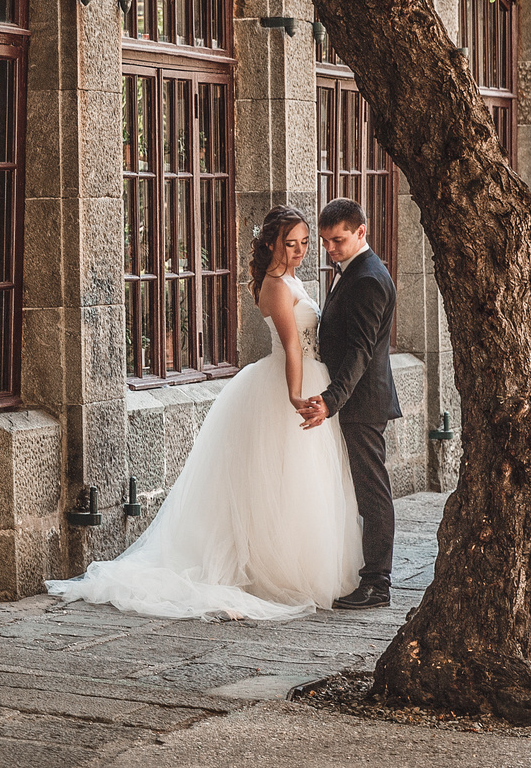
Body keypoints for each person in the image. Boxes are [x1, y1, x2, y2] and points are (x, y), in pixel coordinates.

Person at [46, 205, 362, 620]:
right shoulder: (275, 287)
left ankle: (306, 562)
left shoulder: (291, 278)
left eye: (305, 243)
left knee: (304, 482)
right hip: (288, 383)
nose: (301, 250)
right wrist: (294, 395)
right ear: (271, 243)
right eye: (291, 243)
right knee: (282, 481)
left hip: (311, 376)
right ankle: (279, 571)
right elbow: (290, 348)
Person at [294, 198, 401, 609]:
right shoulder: (354, 271)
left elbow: (360, 350)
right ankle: (371, 576)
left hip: (362, 402)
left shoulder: (369, 278)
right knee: (362, 489)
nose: (330, 249)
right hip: (356, 399)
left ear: (362, 231)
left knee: (372, 492)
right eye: (325, 242)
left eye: (337, 240)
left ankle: (377, 583)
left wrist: (330, 400)